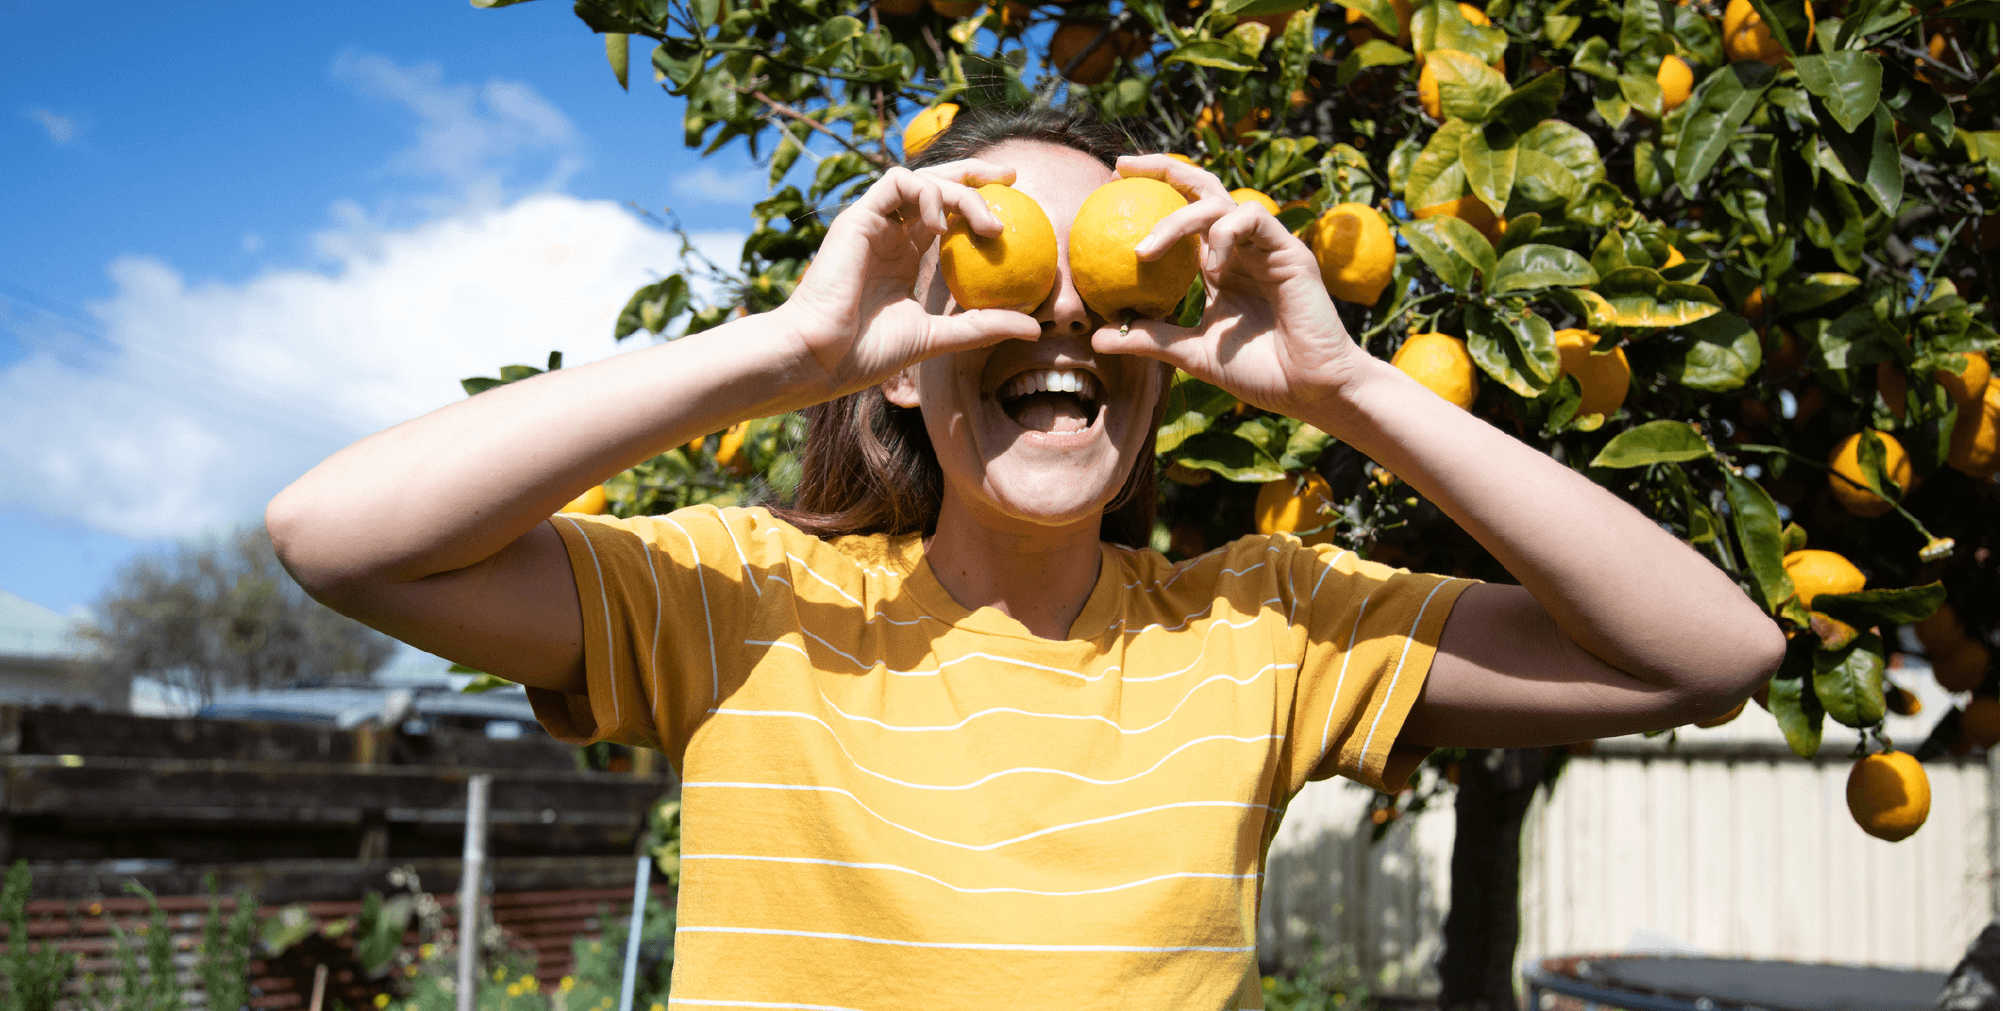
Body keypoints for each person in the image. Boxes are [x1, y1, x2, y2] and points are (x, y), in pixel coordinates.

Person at [267, 104, 1784, 1008]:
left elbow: (1708, 654)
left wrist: (1346, 387)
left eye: (1103, 288)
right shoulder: (741, 599)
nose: (1060, 318)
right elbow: (334, 536)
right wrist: (786, 346)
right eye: (1002, 281)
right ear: (901, 362)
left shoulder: (1269, 626)